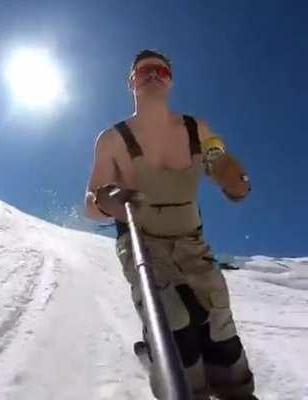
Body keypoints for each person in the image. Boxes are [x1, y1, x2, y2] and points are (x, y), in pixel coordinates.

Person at [84, 49, 257, 400]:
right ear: (131, 81)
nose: (153, 75)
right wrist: (104, 201)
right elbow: (90, 204)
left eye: (161, 70)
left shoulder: (197, 130)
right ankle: (181, 382)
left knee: (218, 318)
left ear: (171, 79)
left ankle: (235, 388)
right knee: (173, 321)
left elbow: (219, 160)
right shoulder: (112, 139)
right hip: (142, 241)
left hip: (191, 241)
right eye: (145, 71)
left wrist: (233, 178)